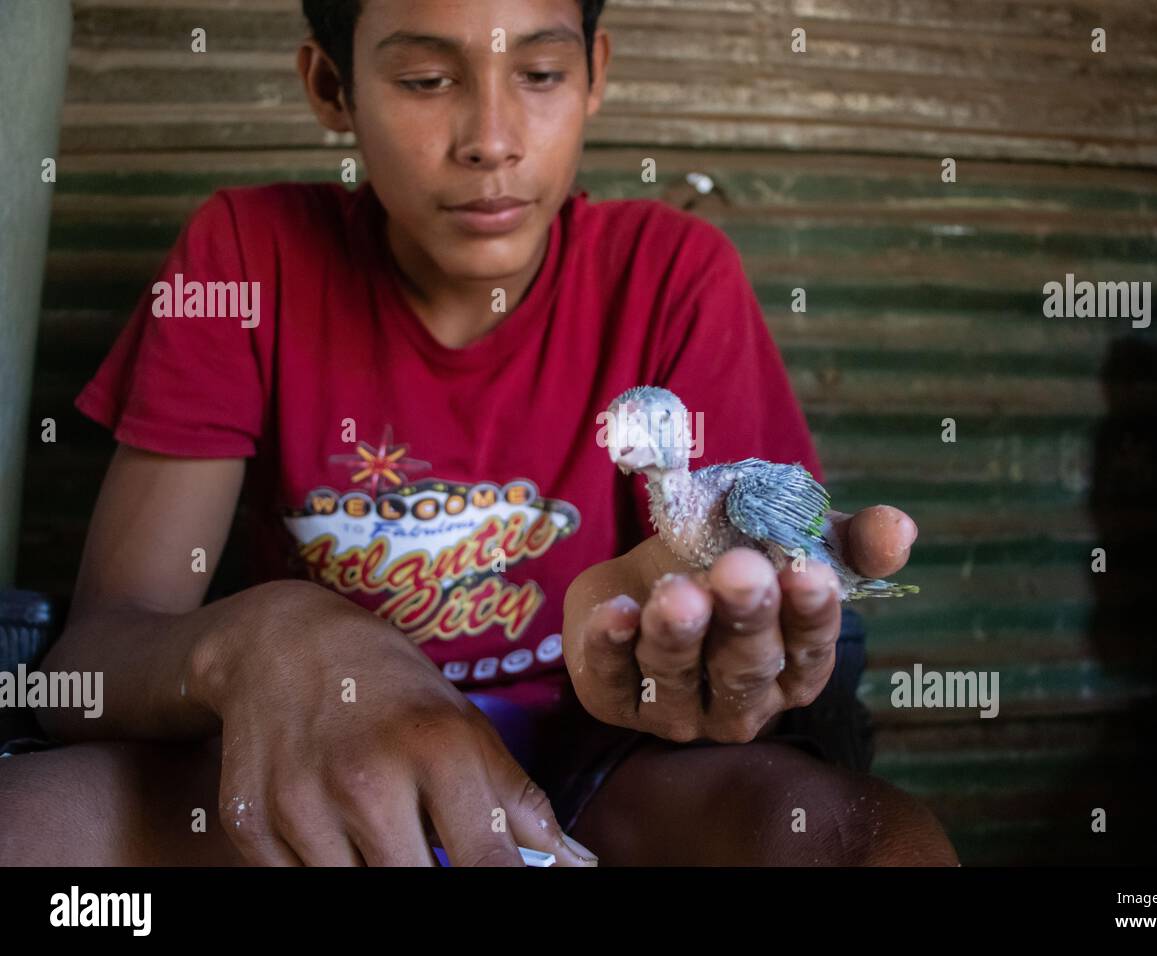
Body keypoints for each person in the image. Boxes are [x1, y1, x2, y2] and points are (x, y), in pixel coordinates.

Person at [0, 0, 957, 867]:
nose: (492, 141)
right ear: (332, 87)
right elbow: (89, 665)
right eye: (425, 80)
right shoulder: (245, 256)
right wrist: (266, 637)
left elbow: (718, 598)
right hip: (318, 762)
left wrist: (642, 629)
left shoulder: (673, 274)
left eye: (540, 76)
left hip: (608, 772)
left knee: (872, 844)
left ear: (596, 73)